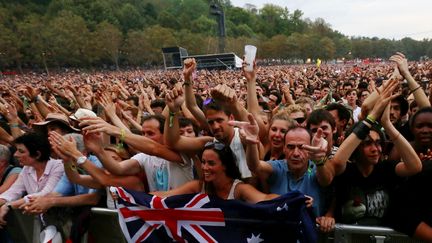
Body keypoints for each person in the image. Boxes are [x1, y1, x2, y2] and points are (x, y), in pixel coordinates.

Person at [316, 78, 422, 225]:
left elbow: (415, 167)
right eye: (367, 143)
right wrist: (371, 118)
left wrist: (387, 125)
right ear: (356, 147)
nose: (375, 149)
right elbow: (338, 161)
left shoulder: (386, 169)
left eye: (378, 143)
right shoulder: (346, 172)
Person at [152, 141, 279, 204]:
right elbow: (165, 195)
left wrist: (294, 201)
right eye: (203, 162)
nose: (205, 167)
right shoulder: (198, 186)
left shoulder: (239, 189)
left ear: (225, 166)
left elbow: (265, 199)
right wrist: (133, 198)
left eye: (211, 163)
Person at [0, 132, 64, 227]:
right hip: (41, 224)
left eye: (21, 151)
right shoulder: (27, 168)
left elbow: (45, 193)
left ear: (37, 154)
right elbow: (13, 192)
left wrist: (9, 206)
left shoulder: (58, 166)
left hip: (60, 223)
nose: (15, 155)